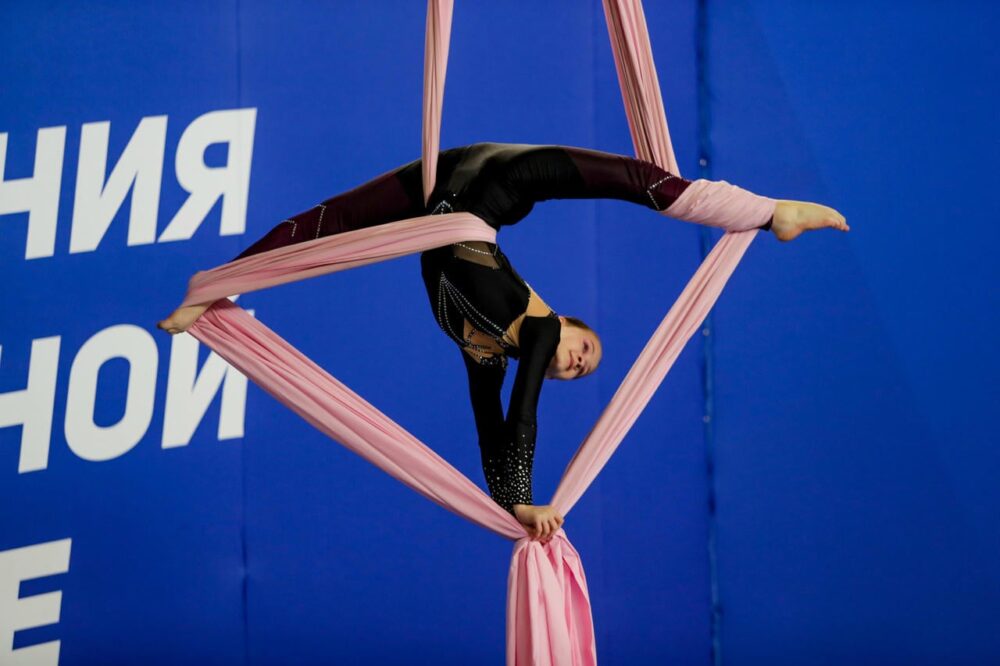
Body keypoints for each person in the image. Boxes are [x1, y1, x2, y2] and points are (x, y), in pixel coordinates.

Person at [158, 142, 848, 543]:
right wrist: (524, 492)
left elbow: (493, 424)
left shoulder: (485, 351)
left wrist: (514, 503)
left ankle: (214, 296)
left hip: (433, 201)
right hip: (497, 185)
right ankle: (769, 213)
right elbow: (524, 419)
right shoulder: (542, 328)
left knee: (327, 222)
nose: (577, 363)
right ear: (571, 325)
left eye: (577, 373)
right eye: (587, 351)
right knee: (636, 180)